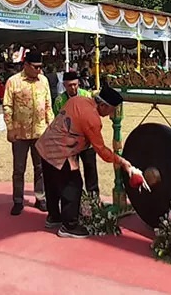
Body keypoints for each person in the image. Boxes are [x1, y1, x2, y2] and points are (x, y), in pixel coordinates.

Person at [36, 85, 140, 239]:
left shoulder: (78, 100)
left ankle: (54, 217)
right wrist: (122, 161)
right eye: (111, 109)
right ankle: (69, 226)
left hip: (45, 145)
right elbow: (102, 151)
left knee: (52, 183)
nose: (111, 114)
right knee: (73, 185)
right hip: (60, 152)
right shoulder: (92, 119)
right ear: (103, 105)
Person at [3, 50, 53, 216]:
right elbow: (7, 106)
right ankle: (18, 200)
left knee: (40, 168)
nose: (39, 70)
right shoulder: (13, 81)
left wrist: (51, 127)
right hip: (19, 133)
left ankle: (41, 198)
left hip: (40, 132)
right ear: (26, 65)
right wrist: (10, 128)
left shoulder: (43, 81)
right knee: (19, 168)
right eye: (36, 67)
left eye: (40, 67)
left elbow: (48, 106)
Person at [52, 71, 100, 198]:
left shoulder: (87, 96)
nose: (73, 88)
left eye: (75, 85)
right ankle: (76, 200)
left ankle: (94, 199)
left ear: (79, 83)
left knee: (91, 171)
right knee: (72, 173)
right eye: (69, 85)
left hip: (87, 142)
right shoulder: (59, 101)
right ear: (64, 85)